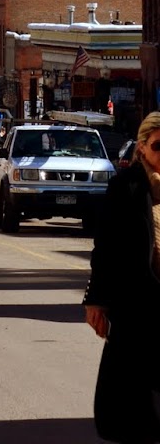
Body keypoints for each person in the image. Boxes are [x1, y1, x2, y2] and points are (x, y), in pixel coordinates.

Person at [84, 108, 160, 442]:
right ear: (142, 146)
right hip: (136, 303)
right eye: (158, 146)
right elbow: (106, 248)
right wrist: (95, 300)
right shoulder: (125, 187)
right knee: (135, 397)